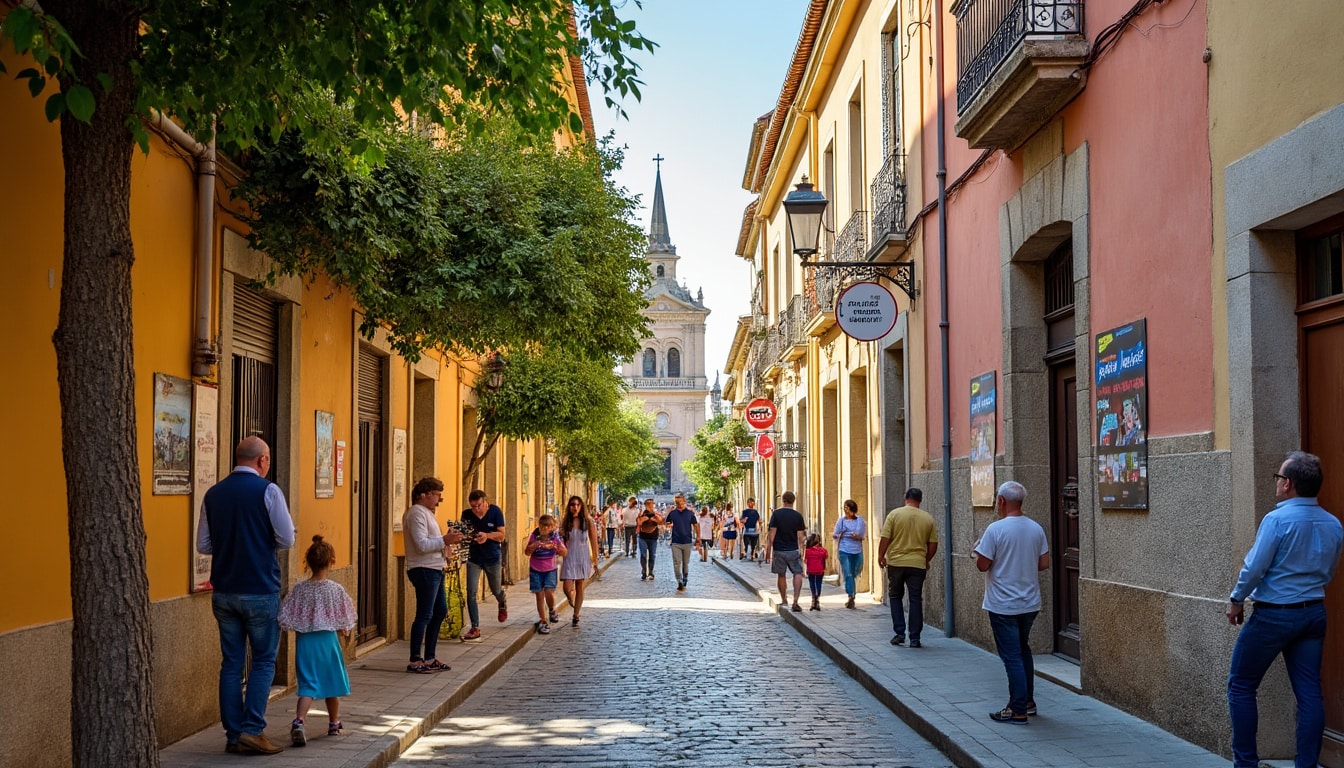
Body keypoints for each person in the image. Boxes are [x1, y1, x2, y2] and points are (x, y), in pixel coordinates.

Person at [1226, 451, 1342, 768]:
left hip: (1274, 614)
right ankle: (1306, 765)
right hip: (1313, 613)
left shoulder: (1277, 520)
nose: (1277, 483)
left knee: (1241, 686)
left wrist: (1237, 599)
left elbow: (1253, 568)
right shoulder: (1333, 524)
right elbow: (1329, 572)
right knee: (1309, 693)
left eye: (1278, 478)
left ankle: (1246, 764)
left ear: (1287, 484)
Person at [196, 436, 296, 755]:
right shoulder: (269, 491)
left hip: (224, 590)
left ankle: (233, 733)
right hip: (259, 588)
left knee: (231, 663)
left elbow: (204, 545)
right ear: (263, 460)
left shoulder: (213, 494)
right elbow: (286, 538)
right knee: (264, 660)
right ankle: (253, 730)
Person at [973, 481, 1049, 725]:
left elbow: (983, 565)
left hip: (1003, 604)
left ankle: (1017, 709)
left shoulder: (995, 530)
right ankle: (1027, 701)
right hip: (1029, 602)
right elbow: (1043, 563)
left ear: (1002, 501)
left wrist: (977, 552)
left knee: (1012, 656)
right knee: (1023, 650)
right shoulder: (1036, 528)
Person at [278, 535, 356, 747]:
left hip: (305, 642)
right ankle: (333, 723)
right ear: (332, 561)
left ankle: (299, 721)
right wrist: (345, 633)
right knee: (331, 682)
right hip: (328, 642)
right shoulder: (335, 589)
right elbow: (346, 616)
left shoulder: (300, 589)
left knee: (308, 684)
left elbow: (285, 615)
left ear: (308, 563)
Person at [402, 477, 464, 673]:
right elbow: (421, 545)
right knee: (424, 614)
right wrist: (445, 539)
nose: (438, 500)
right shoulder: (416, 514)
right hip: (423, 569)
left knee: (439, 612)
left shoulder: (426, 514)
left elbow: (433, 541)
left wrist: (446, 540)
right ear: (424, 495)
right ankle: (415, 659)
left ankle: (429, 657)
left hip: (435, 568)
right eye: (436, 495)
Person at [878, 488, 937, 646]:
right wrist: (926, 559)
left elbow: (885, 538)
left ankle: (899, 632)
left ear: (906, 498)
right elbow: (933, 545)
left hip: (896, 563)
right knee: (915, 599)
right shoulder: (928, 518)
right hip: (917, 564)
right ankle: (915, 637)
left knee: (895, 596)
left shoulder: (894, 514)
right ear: (920, 500)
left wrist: (881, 555)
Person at [460, 489, 507, 643]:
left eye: (478, 506)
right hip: (474, 558)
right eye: (473, 506)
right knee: (471, 592)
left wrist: (487, 536)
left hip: (492, 558)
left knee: (495, 590)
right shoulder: (466, 514)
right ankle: (475, 627)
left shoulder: (495, 512)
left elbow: (501, 535)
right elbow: (463, 532)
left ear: (485, 502)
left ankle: (502, 600)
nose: (476, 509)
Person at [559, 496, 600, 627]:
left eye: (577, 504)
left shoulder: (587, 521)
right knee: (567, 587)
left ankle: (576, 614)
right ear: (569, 506)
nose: (575, 507)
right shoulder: (566, 522)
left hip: (582, 556)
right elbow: (560, 539)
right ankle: (571, 600)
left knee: (579, 585)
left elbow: (593, 541)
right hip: (569, 556)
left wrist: (595, 560)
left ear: (581, 506)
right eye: (572, 504)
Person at [764, 491, 807, 612]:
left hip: (779, 550)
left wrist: (768, 551)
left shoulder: (776, 515)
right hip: (793, 550)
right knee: (798, 573)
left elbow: (771, 534)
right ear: (793, 501)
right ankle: (795, 601)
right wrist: (802, 552)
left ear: (783, 500)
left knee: (781, 575)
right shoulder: (798, 516)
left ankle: (784, 599)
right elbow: (801, 537)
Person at [525, 514, 567, 634]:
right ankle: (543, 621)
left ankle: (552, 610)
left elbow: (564, 552)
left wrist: (557, 548)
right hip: (535, 569)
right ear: (540, 526)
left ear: (552, 527)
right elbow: (527, 552)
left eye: (548, 527)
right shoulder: (534, 536)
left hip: (550, 569)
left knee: (549, 592)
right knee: (539, 595)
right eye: (543, 527)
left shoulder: (555, 537)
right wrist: (533, 546)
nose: (545, 529)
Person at [832, 499, 867, 609]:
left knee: (855, 572)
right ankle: (851, 596)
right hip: (844, 550)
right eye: (845, 508)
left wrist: (858, 537)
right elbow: (835, 534)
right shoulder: (841, 521)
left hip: (856, 550)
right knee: (848, 573)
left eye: (847, 508)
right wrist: (840, 534)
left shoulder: (860, 521)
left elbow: (862, 536)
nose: (846, 510)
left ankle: (851, 593)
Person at [665, 493, 697, 591]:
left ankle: (685, 578)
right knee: (677, 562)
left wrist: (698, 537)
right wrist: (668, 514)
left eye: (681, 502)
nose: (680, 504)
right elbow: (666, 523)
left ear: (684, 502)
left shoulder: (690, 513)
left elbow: (695, 525)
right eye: (678, 502)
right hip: (676, 541)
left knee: (685, 563)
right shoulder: (673, 513)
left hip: (687, 541)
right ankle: (679, 580)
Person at [636, 499, 663, 581]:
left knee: (652, 555)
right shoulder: (642, 514)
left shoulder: (656, 514)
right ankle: (644, 571)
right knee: (643, 554)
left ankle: (650, 572)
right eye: (649, 504)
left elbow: (660, 521)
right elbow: (639, 523)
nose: (651, 506)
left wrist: (654, 518)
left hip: (653, 537)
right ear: (646, 505)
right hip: (643, 537)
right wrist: (644, 518)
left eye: (652, 504)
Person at [804, 533, 828, 611]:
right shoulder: (823, 550)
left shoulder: (807, 551)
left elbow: (805, 561)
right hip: (820, 569)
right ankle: (817, 599)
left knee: (812, 584)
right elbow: (825, 559)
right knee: (818, 583)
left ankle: (813, 598)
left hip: (811, 570)